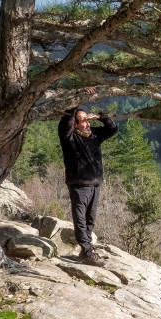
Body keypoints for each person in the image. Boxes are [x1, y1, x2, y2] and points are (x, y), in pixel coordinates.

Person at [58, 103, 118, 266]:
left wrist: (101, 116)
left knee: (90, 219)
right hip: (79, 185)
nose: (87, 123)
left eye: (87, 120)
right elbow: (65, 122)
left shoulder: (94, 134)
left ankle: (87, 250)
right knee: (80, 220)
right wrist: (76, 102)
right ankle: (86, 251)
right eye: (83, 120)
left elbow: (113, 129)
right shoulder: (69, 136)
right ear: (75, 124)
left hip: (95, 184)